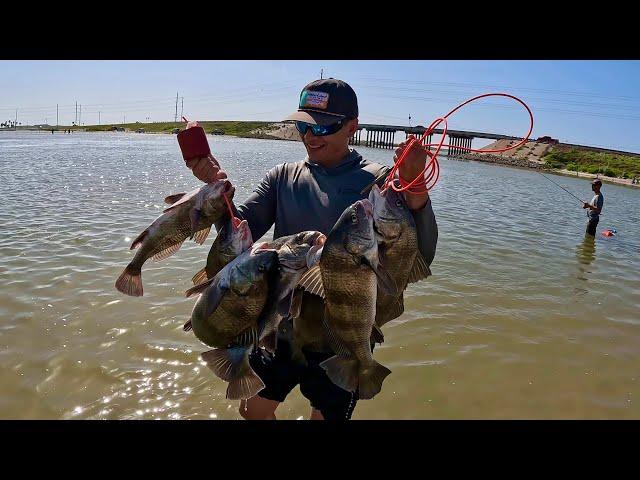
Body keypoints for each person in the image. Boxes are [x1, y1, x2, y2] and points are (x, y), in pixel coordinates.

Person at [185, 78, 438, 420]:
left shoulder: (380, 182)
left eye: (323, 127)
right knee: (253, 411)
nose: (310, 136)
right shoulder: (282, 176)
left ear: (352, 127)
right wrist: (218, 194)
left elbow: (419, 254)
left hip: (343, 337)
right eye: (304, 125)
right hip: (279, 327)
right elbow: (236, 237)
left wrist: (417, 189)